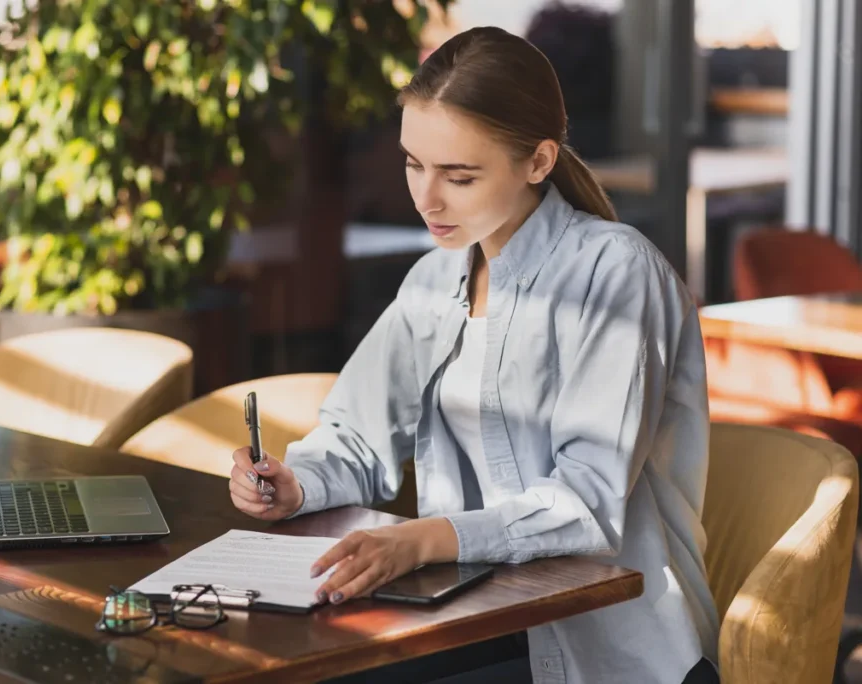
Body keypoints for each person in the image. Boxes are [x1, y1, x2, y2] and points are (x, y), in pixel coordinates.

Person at [227, 26, 720, 684]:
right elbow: (357, 432)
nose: (426, 198)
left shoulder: (616, 276)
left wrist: (421, 540)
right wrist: (297, 483)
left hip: (607, 651)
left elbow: (584, 502)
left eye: (459, 175)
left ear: (538, 161)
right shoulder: (435, 281)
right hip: (473, 618)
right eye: (412, 163)